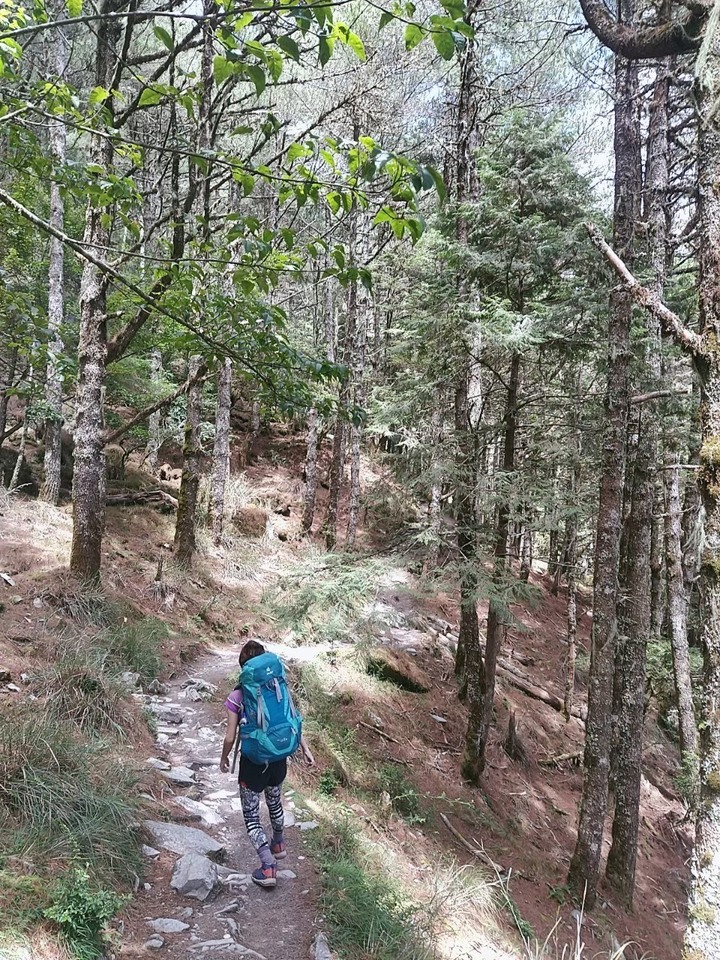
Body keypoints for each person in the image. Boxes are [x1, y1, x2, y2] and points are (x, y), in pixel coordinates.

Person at [220, 639, 315, 889]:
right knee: (275, 801)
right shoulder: (277, 687)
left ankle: (267, 865)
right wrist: (305, 748)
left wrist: (224, 757)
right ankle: (279, 843)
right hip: (278, 757)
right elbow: (292, 718)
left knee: (252, 816)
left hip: (253, 763)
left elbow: (230, 736)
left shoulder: (237, 696)